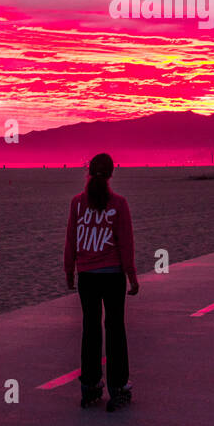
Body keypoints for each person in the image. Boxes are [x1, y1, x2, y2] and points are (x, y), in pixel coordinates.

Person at [64, 153, 139, 412]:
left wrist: (69, 272)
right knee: (115, 329)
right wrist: (132, 276)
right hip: (112, 275)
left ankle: (91, 384)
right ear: (110, 175)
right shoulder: (119, 203)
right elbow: (126, 243)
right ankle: (118, 386)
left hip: (87, 276)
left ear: (89, 172)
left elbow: (71, 240)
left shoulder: (77, 204)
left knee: (91, 329)